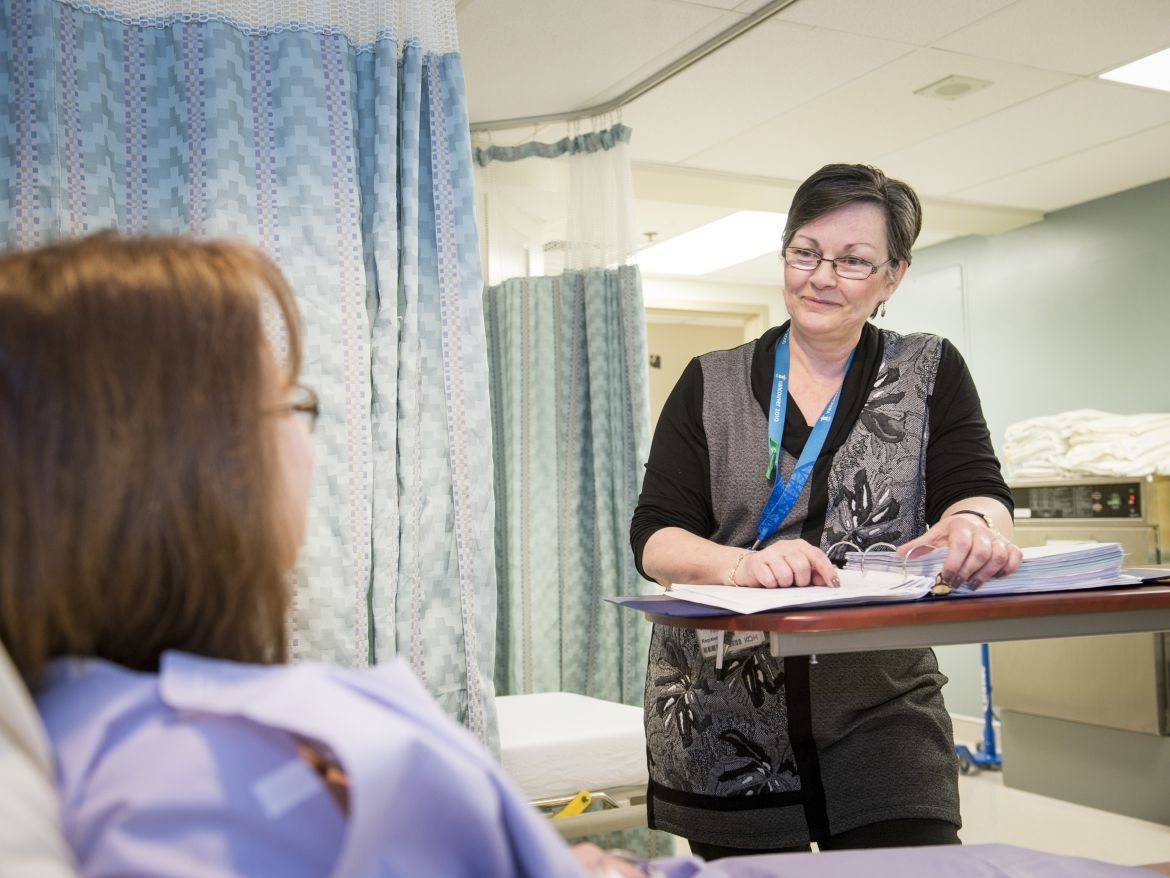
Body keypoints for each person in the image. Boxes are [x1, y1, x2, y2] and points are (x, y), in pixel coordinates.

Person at [0, 232, 643, 878]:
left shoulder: (120, 717)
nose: (307, 444)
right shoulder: (177, 786)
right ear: (181, 460)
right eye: (287, 404)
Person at [630, 163, 1023, 859]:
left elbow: (976, 485)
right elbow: (655, 537)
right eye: (805, 252)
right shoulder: (708, 382)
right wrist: (744, 565)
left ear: (892, 277)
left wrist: (976, 524)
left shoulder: (929, 370)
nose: (821, 276)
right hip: (726, 721)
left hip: (883, 710)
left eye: (852, 261)